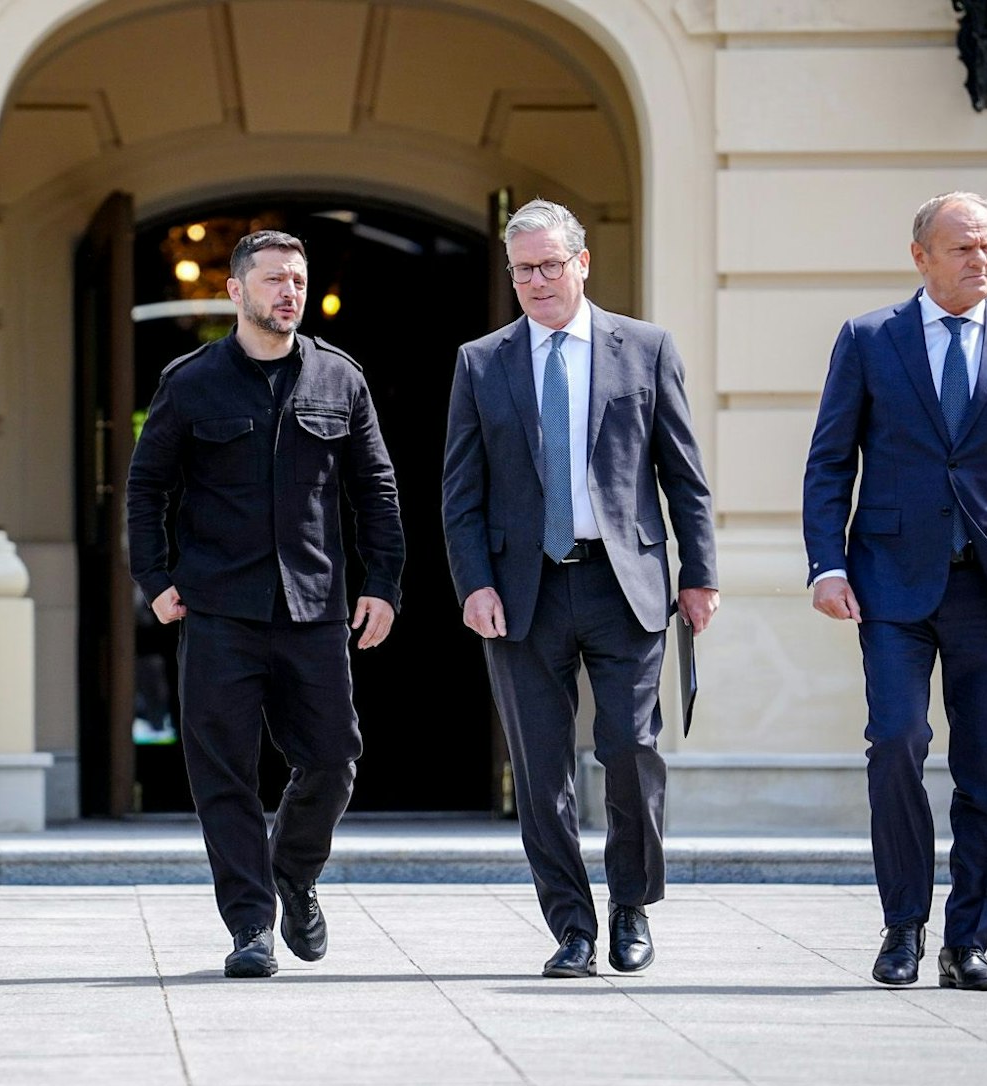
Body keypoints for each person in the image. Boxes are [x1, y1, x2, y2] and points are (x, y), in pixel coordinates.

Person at [802, 192, 987, 991]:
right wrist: (825, 564)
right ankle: (903, 925)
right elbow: (831, 460)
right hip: (891, 584)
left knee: (986, 771)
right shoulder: (869, 339)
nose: (981, 261)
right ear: (920, 256)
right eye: (963, 248)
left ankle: (968, 940)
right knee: (895, 741)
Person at [442, 199, 717, 979]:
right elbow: (459, 492)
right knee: (540, 770)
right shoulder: (481, 361)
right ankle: (572, 925)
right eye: (522, 268)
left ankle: (631, 906)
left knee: (630, 751)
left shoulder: (647, 348)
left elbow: (683, 477)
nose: (535, 281)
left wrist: (699, 574)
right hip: (521, 594)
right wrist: (474, 584)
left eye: (549, 265)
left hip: (622, 584)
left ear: (582, 263)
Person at [126, 229, 404, 977]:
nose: (289, 292)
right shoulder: (190, 382)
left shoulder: (340, 379)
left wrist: (383, 582)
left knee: (335, 759)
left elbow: (375, 487)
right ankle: (250, 923)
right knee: (222, 772)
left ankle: (294, 871)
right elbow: (146, 485)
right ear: (236, 292)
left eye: (298, 281)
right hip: (218, 611)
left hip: (314, 608)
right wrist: (155, 581)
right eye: (275, 279)